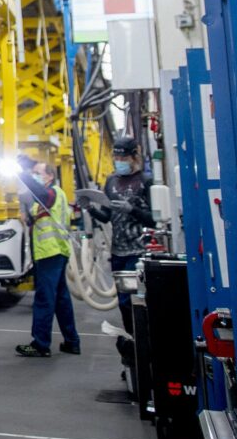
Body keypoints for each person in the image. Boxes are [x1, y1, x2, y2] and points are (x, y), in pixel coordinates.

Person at [87, 136, 154, 336]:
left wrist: (132, 210)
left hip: (138, 250)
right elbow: (106, 216)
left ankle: (143, 340)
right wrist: (90, 208)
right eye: (116, 158)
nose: (119, 162)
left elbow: (154, 220)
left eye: (123, 158)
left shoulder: (145, 182)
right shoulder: (111, 181)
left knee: (135, 300)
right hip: (118, 252)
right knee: (123, 302)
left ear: (134, 157)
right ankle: (133, 339)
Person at [15, 156, 81, 357]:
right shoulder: (48, 197)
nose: (35, 176)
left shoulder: (53, 192)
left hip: (50, 253)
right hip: (55, 252)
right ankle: (72, 341)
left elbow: (43, 195)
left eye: (38, 173)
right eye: (33, 173)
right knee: (61, 299)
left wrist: (22, 172)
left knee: (44, 298)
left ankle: (40, 344)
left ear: (50, 176)